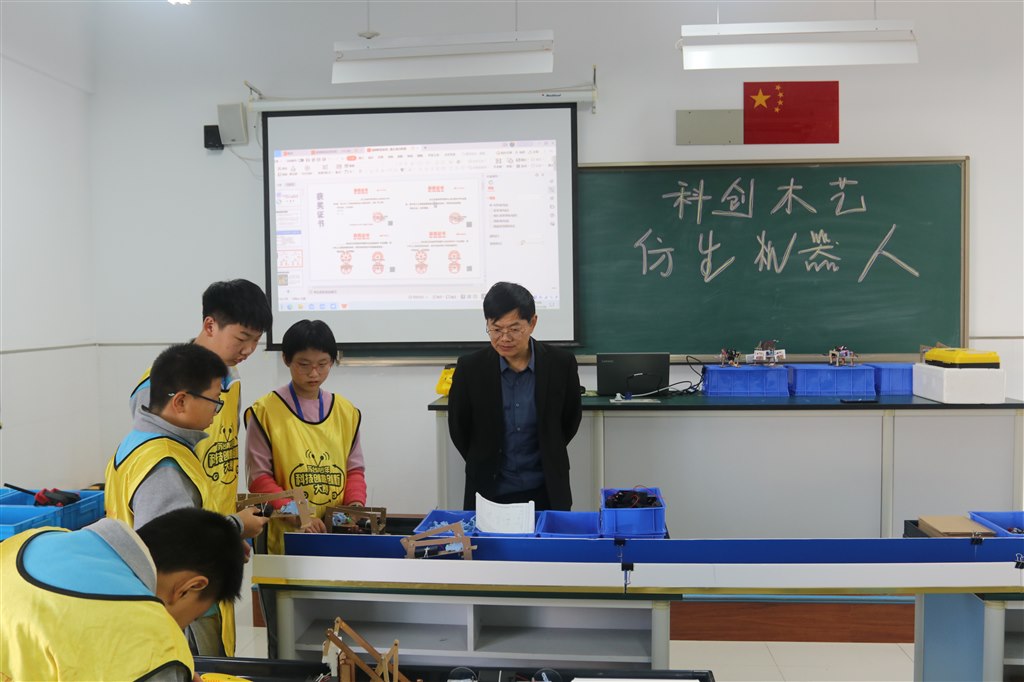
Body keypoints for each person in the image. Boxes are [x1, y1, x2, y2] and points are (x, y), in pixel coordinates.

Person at [107, 343, 268, 657]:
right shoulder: (164, 464)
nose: (217, 410)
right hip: (180, 616)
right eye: (214, 401)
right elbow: (172, 549)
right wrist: (236, 526)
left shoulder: (140, 442)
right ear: (180, 401)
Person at [0, 507, 245, 682]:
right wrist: (165, 669)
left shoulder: (33, 540)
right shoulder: (152, 645)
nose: (181, 627)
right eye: (194, 617)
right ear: (190, 587)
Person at [129, 279, 273, 521]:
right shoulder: (161, 383)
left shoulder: (231, 377)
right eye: (242, 338)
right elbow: (155, 465)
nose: (249, 349)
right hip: (186, 525)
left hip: (221, 523)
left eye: (256, 340)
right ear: (210, 326)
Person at [447, 281, 582, 511]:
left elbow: (569, 421)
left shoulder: (561, 364)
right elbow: (459, 428)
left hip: (547, 490)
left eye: (514, 329)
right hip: (489, 491)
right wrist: (484, 460)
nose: (504, 338)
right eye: (496, 329)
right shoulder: (470, 368)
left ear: (532, 323)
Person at [245, 319, 367, 555]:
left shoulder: (346, 412)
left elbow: (354, 470)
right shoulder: (264, 412)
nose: (314, 373)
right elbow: (259, 479)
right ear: (286, 359)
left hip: (334, 535)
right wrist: (300, 514)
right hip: (284, 538)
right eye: (304, 364)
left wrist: (354, 508)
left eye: (323, 364)